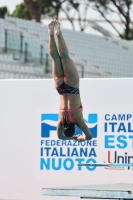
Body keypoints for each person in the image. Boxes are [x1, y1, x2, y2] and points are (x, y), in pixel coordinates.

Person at [48, 19, 92, 141]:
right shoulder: (60, 121)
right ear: (64, 127)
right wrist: (71, 138)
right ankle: (51, 33)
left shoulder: (78, 121)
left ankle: (59, 33)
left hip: (72, 87)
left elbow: (89, 137)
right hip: (61, 88)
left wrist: (79, 137)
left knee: (65, 57)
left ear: (75, 127)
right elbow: (60, 136)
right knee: (56, 59)